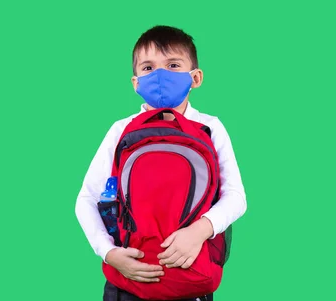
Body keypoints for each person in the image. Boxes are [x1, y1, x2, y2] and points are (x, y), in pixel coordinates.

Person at [75, 25, 247, 300]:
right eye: (148, 68)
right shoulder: (122, 129)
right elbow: (87, 198)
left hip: (191, 272)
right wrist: (108, 253)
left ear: (196, 77)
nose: (160, 75)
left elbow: (236, 197)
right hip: (128, 279)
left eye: (173, 65)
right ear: (135, 83)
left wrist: (199, 232)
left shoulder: (210, 127)